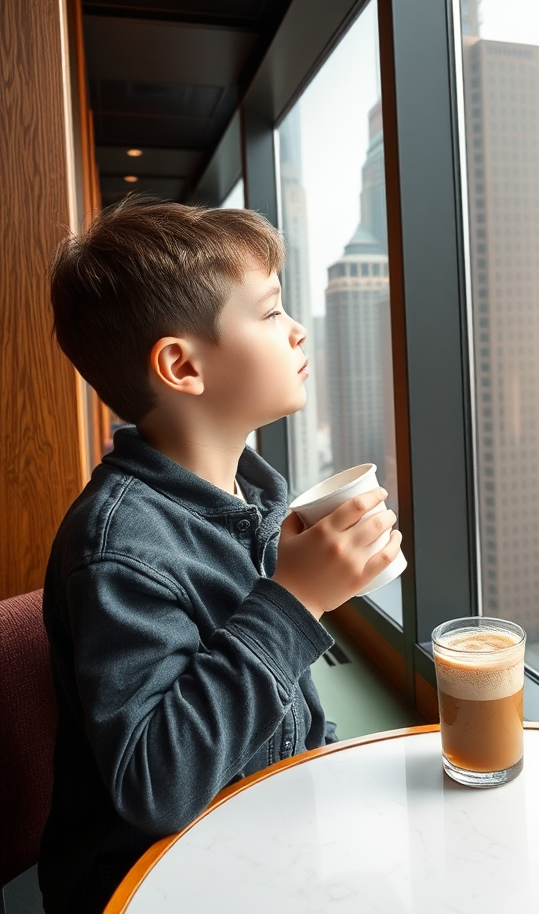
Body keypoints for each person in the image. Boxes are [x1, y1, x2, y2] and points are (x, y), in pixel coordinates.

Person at [39, 197, 401, 914]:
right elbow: (156, 785)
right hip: (150, 884)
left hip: (257, 846)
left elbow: (283, 705)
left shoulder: (251, 497)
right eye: (269, 313)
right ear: (181, 365)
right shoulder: (118, 549)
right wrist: (296, 600)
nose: (297, 329)